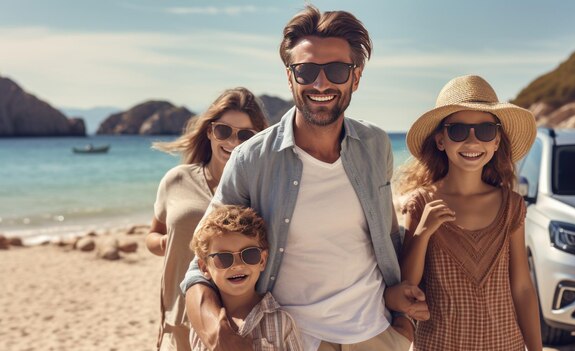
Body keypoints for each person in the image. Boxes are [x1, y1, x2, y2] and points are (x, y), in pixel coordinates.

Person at [181, 5, 429, 351]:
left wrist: (402, 325)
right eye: (307, 70)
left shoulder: (375, 144)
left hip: (377, 334)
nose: (321, 83)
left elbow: (385, 235)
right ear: (289, 77)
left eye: (337, 70)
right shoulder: (251, 159)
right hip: (293, 339)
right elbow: (201, 260)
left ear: (356, 77)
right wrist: (215, 332)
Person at [395, 75, 542, 350]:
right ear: (441, 140)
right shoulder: (421, 203)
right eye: (459, 131)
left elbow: (522, 286)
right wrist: (424, 233)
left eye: (485, 130)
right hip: (439, 344)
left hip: (505, 344)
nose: (472, 141)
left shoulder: (511, 205)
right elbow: (407, 285)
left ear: (496, 141)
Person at [146, 87, 269, 351]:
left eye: (245, 135)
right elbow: (151, 235)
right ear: (210, 131)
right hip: (179, 314)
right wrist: (168, 243)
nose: (233, 142)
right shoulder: (177, 179)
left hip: (235, 322)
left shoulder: (257, 190)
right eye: (224, 130)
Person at [189, 205, 303, 351]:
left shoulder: (281, 322)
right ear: (205, 268)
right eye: (223, 258)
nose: (237, 265)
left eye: (249, 254)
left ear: (262, 260)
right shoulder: (200, 328)